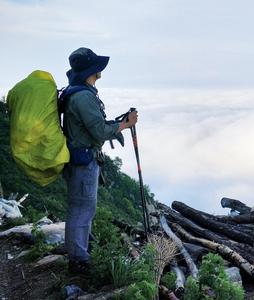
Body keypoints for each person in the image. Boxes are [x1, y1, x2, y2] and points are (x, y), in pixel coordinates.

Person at [62, 47, 138, 274]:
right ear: (90, 72)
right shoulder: (83, 96)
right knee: (83, 209)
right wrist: (126, 124)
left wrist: (117, 125)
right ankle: (78, 260)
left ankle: (79, 251)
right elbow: (97, 130)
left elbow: (95, 126)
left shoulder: (77, 91)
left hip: (79, 158)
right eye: (97, 71)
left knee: (81, 207)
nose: (99, 75)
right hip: (84, 160)